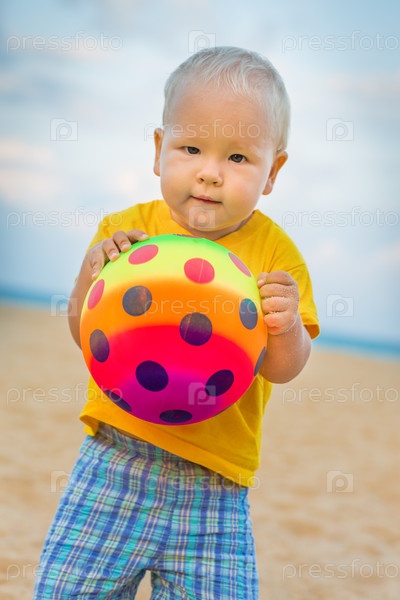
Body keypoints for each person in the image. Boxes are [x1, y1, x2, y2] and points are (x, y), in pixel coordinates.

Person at [34, 46, 319, 599]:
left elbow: (282, 369)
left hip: (217, 487)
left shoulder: (275, 255)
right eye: (191, 148)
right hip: (114, 461)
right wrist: (90, 278)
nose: (210, 172)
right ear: (159, 150)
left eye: (238, 157)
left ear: (272, 172)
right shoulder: (125, 231)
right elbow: (85, 336)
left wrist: (284, 325)